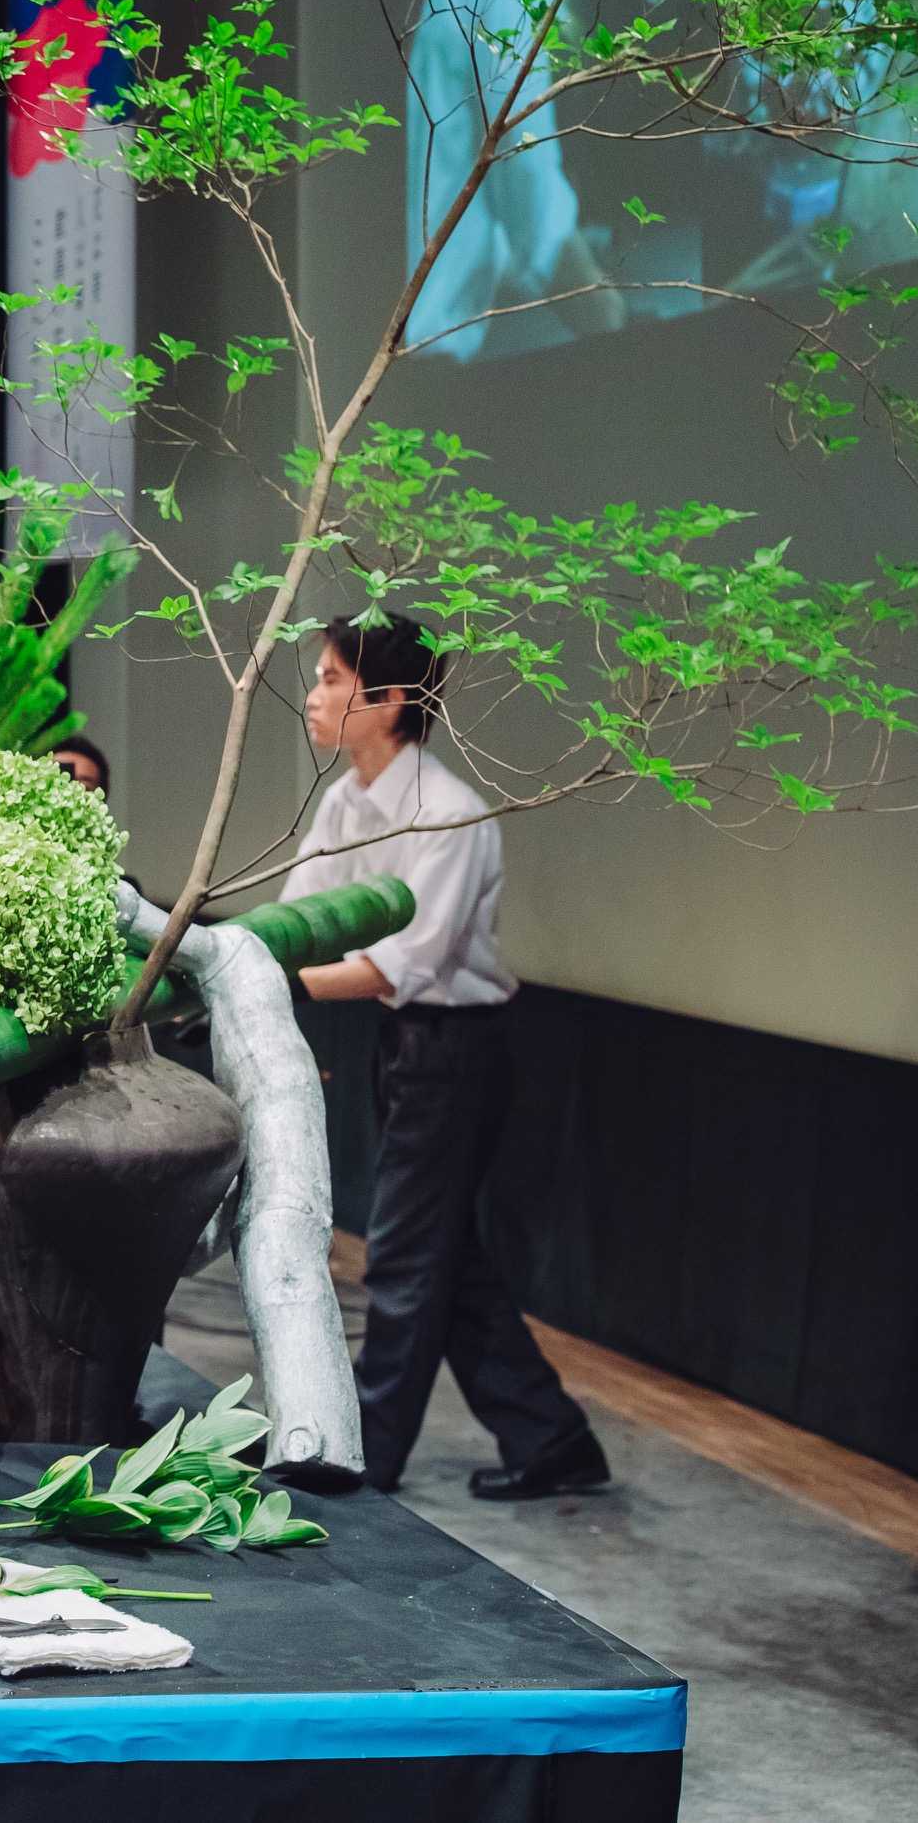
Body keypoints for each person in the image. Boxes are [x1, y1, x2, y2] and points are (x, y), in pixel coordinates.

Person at [279, 616, 609, 1502]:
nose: (312, 695)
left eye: (329, 678)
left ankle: (356, 1451)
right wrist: (241, 965)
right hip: (401, 1041)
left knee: (402, 1254)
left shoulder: (450, 814)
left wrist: (272, 984)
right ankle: (550, 1437)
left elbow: (408, 961)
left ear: (388, 700)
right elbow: (296, 918)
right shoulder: (344, 801)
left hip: (456, 1046)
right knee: (443, 1255)